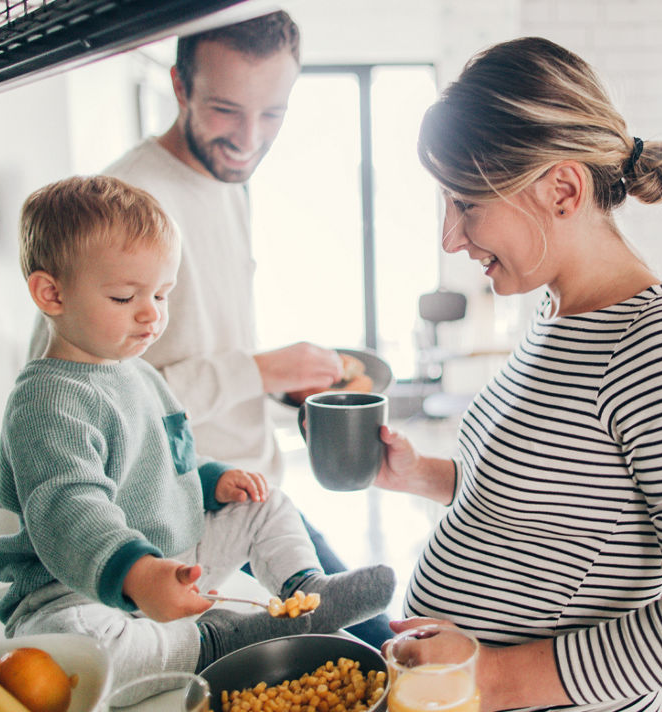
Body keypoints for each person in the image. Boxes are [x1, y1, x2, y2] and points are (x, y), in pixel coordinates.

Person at [375, 37, 662, 712]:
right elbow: (552, 508)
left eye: (466, 204)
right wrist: (421, 474)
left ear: (562, 188)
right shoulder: (558, 312)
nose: (450, 237)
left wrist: (487, 678)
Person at [26, 11, 393, 646]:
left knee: (376, 644)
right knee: (360, 654)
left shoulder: (224, 182)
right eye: (227, 110)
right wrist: (259, 369)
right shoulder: (127, 201)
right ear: (179, 86)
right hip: (172, 524)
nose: (249, 138)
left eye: (272, 113)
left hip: (244, 489)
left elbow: (195, 346)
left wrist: (282, 390)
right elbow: (75, 385)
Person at [0, 175, 394, 693]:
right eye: (123, 297)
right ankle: (215, 643)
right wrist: (136, 574)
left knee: (266, 502)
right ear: (51, 293)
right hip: (75, 589)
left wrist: (212, 482)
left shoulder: (139, 373)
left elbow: (169, 459)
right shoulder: (46, 402)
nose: (152, 314)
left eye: (162, 294)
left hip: (170, 559)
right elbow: (69, 510)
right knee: (79, 644)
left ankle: (304, 592)